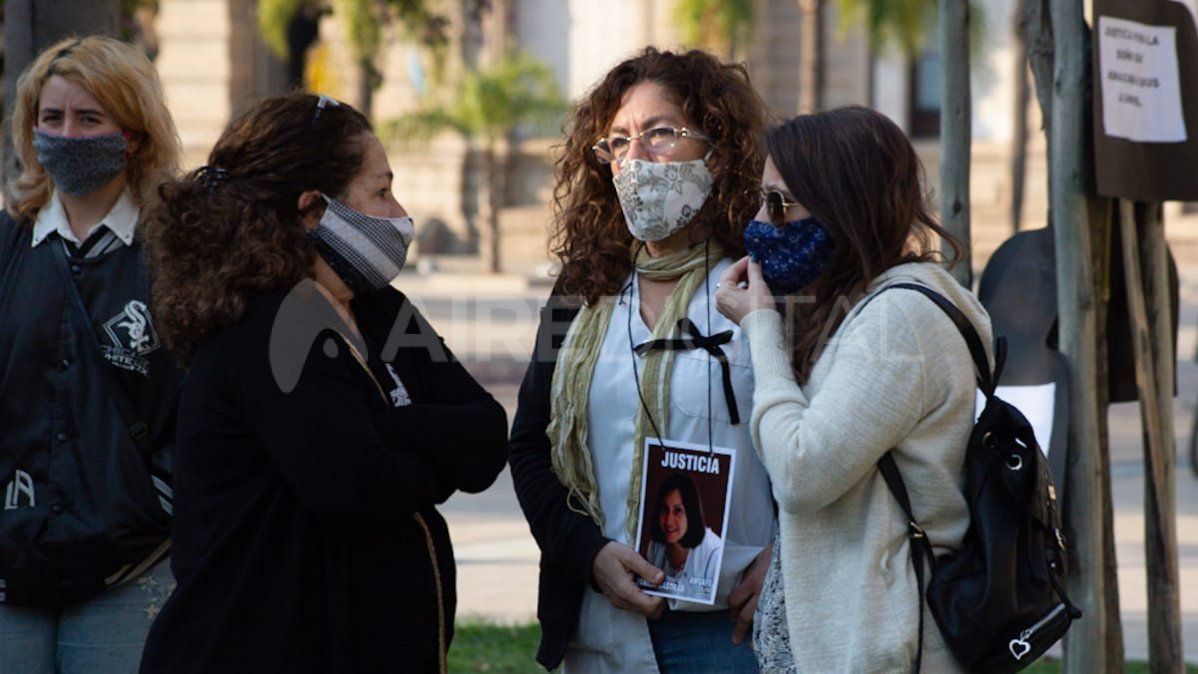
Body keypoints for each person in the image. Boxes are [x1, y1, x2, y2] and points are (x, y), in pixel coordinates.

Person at [136, 92, 508, 674]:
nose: (399, 212)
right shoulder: (262, 325)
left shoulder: (382, 310)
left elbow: (486, 434)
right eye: (380, 191)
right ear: (313, 210)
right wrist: (421, 447)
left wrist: (385, 429)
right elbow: (356, 486)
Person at [509, 47, 775, 673]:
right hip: (604, 628)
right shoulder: (582, 290)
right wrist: (588, 553)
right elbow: (529, 447)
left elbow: (827, 450)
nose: (636, 159)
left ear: (720, 148)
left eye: (661, 134)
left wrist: (787, 559)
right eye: (619, 142)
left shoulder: (769, 282)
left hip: (734, 633)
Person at [716, 106, 989, 673]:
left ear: (844, 203)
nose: (763, 222)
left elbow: (802, 471)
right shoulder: (861, 310)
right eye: (761, 200)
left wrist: (761, 327)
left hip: (882, 648)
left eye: (780, 203)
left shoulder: (901, 320)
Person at [0, 36, 182, 674]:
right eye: (51, 119)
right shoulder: (8, 245)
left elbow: (209, 401)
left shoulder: (179, 252)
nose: (66, 135)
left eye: (89, 118)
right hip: (10, 566)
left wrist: (155, 500)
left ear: (132, 132)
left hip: (130, 570)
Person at [645, 473, 723, 602]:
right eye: (664, 510)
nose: (669, 521)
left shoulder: (714, 554)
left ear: (691, 513)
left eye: (678, 511)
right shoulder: (655, 547)